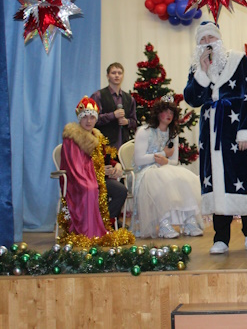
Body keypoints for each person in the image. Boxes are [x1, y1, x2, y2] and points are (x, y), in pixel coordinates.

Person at [184, 21, 247, 255]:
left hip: (236, 129)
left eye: (211, 38)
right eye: (202, 40)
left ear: (219, 40)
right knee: (216, 184)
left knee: (243, 179)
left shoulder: (240, 61)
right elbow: (192, 99)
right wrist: (202, 72)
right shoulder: (196, 68)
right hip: (211, 134)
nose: (207, 44)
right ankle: (221, 238)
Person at [59, 96, 134, 245]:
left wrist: (116, 165)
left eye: (92, 117)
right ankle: (90, 228)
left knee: (120, 191)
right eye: (85, 117)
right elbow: (75, 166)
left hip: (99, 178)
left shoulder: (96, 136)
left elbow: (106, 157)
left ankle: (107, 221)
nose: (88, 121)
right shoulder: (72, 139)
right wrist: (99, 171)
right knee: (90, 189)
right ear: (79, 118)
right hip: (79, 180)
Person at [132, 95, 204, 239]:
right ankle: (164, 223)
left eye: (171, 112)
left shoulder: (172, 134)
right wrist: (162, 154)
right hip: (146, 172)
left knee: (185, 179)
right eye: (165, 111)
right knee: (163, 181)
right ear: (158, 113)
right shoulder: (145, 131)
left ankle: (189, 221)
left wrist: (165, 160)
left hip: (164, 168)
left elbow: (174, 161)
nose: (169, 115)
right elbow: (139, 160)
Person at [91, 62, 136, 226]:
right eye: (113, 73)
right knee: (104, 185)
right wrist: (112, 115)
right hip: (104, 147)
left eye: (119, 73)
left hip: (121, 147)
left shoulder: (129, 98)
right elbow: (93, 119)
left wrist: (127, 122)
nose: (117, 75)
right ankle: (100, 219)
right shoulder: (98, 95)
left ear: (122, 76)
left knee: (120, 184)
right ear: (107, 76)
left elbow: (134, 122)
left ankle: (115, 220)